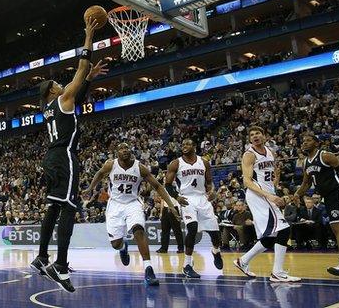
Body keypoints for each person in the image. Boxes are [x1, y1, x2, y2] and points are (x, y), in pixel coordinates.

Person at [29, 15, 108, 293]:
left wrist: (87, 80)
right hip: (64, 157)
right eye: (57, 83)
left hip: (51, 159)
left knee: (53, 206)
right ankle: (59, 265)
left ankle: (41, 257)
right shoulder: (62, 98)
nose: (62, 84)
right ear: (52, 90)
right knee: (69, 208)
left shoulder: (48, 108)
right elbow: (82, 65)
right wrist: (88, 35)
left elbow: (77, 94)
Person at [85, 142, 184, 286]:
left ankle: (148, 269)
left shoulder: (140, 168)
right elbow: (100, 174)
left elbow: (157, 186)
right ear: (117, 152)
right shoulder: (111, 165)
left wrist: (171, 205)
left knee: (138, 230)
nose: (125, 150)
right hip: (115, 205)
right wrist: (90, 188)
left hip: (133, 203)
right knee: (115, 244)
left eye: (126, 148)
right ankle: (123, 247)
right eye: (121, 148)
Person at [234, 126, 300, 282]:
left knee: (271, 236)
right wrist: (269, 196)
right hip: (258, 195)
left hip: (268, 194)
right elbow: (247, 182)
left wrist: (276, 189)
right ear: (250, 139)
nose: (255, 136)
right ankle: (278, 273)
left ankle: (242, 261)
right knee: (284, 230)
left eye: (258, 133)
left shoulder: (270, 152)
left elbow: (268, 178)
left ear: (264, 135)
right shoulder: (249, 155)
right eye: (252, 135)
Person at [294, 133, 339, 279]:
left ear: (317, 143)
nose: (304, 143)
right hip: (328, 198)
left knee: (337, 227)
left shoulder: (325, 156)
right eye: (303, 140)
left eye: (308, 140)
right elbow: (306, 184)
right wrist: (297, 195)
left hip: (338, 193)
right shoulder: (306, 162)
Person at [164, 139, 223, 278]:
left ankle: (216, 250)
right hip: (186, 198)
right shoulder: (176, 163)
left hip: (202, 198)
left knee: (215, 234)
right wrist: (176, 197)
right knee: (192, 228)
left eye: (187, 144)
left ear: (194, 146)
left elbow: (209, 182)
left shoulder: (204, 162)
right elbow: (167, 184)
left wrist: (212, 191)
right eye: (182, 144)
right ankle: (187, 265)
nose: (184, 146)